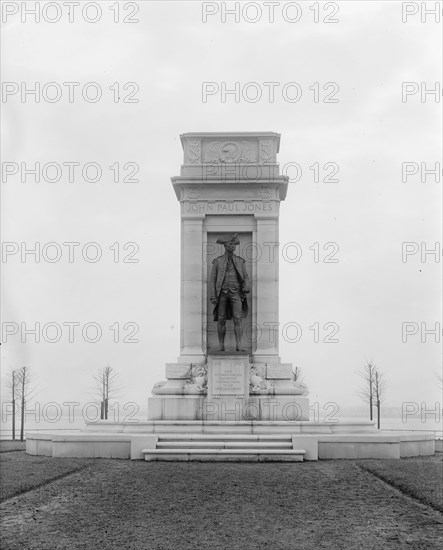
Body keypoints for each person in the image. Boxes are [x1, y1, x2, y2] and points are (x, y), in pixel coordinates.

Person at [209, 233, 250, 351]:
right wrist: (213, 295)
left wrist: (247, 285)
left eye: (234, 244)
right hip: (221, 294)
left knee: (238, 319)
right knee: (221, 319)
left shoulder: (240, 261)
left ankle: (239, 345)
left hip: (236, 293)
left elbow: (245, 276)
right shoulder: (217, 261)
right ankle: (221, 345)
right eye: (231, 244)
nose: (233, 246)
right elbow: (212, 280)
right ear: (225, 245)